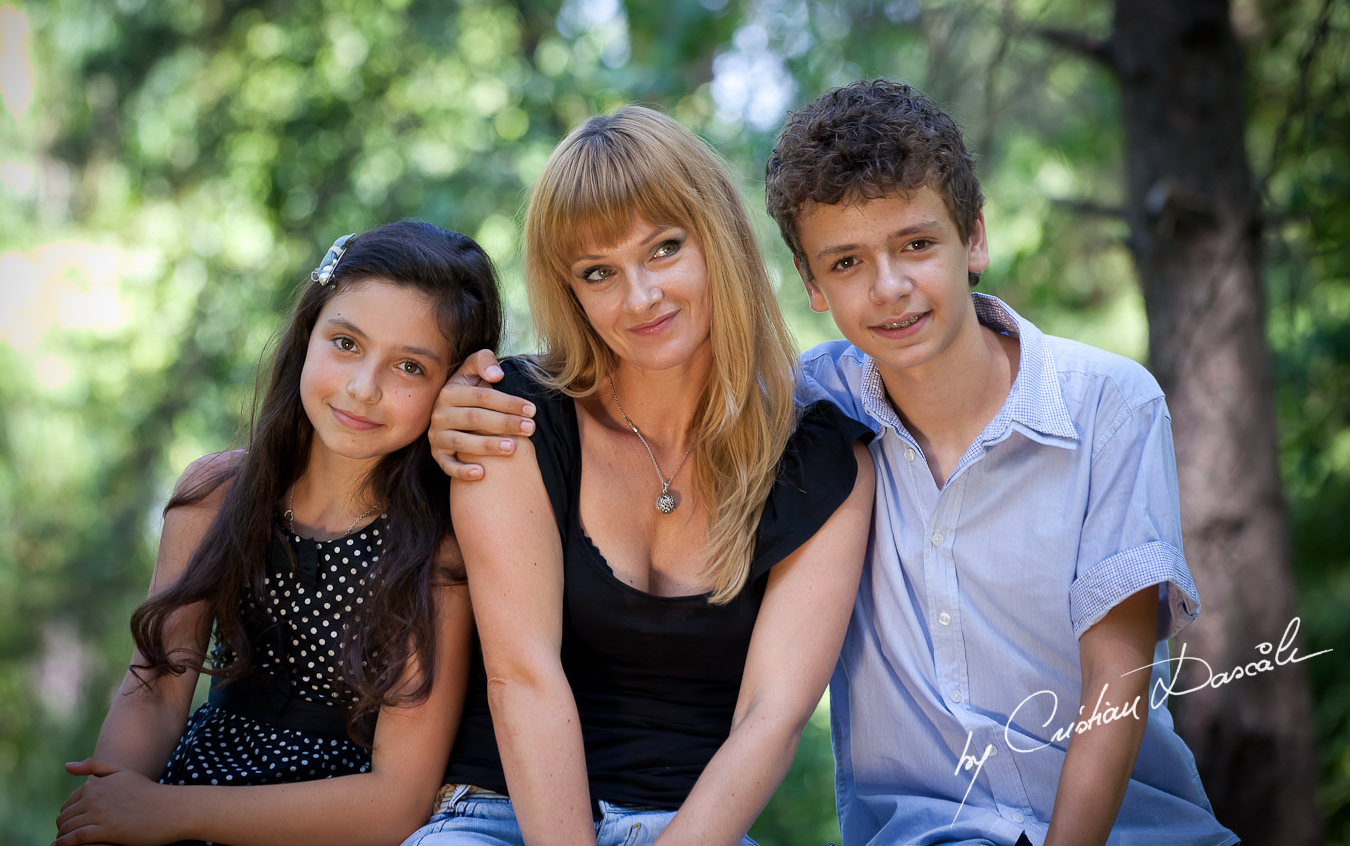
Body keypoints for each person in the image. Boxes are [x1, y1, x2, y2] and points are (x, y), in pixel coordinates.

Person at [432, 82, 1239, 846]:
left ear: (975, 237)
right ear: (812, 281)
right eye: (846, 262)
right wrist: (445, 408)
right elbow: (524, 672)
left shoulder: (1086, 406)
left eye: (917, 244)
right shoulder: (529, 417)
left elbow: (1118, 678)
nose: (889, 288)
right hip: (910, 829)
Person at [404, 106, 874, 846]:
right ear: (574, 292)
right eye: (599, 272)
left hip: (689, 829)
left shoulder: (820, 459)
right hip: (496, 816)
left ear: (715, 236)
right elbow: (522, 678)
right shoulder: (512, 418)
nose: (640, 297)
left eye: (663, 249)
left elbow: (771, 718)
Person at [54, 221, 504, 846]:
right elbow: (155, 689)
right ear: (307, 336)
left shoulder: (439, 548)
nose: (362, 388)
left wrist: (169, 812)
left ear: (452, 385)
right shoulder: (216, 496)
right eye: (346, 343)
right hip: (182, 800)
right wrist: (114, 805)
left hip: (328, 826)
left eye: (409, 365)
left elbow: (396, 800)